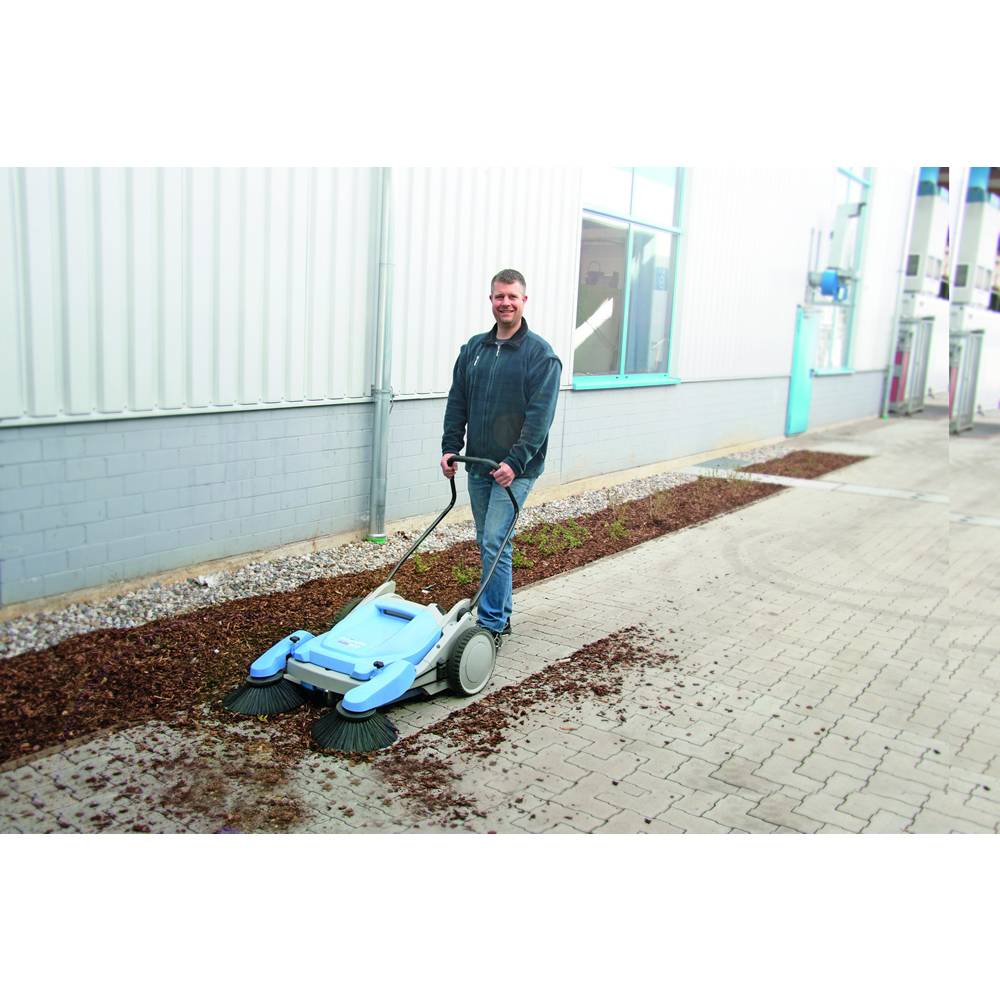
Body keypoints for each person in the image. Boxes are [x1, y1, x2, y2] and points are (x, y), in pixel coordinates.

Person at [441, 268, 562, 648]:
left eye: (512, 296)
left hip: (515, 469)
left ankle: (491, 625)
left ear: (524, 300)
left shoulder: (540, 355)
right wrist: (450, 448)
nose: (505, 303)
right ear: (491, 300)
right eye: (499, 296)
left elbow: (540, 417)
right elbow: (457, 401)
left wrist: (515, 461)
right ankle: (501, 614)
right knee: (488, 540)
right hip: (479, 463)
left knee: (494, 539)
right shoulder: (473, 350)